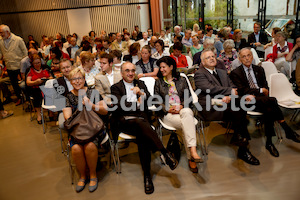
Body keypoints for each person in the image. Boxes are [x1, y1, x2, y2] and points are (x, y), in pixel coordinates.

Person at [110, 62, 178, 194]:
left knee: (143, 138)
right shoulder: (115, 87)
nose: (130, 73)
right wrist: (137, 103)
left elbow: (150, 100)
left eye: (133, 70)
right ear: (122, 73)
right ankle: (164, 153)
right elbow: (120, 105)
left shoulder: (140, 84)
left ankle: (147, 176)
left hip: (141, 121)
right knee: (142, 125)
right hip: (124, 122)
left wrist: (141, 94)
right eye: (127, 71)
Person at [194, 49, 260, 165]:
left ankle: (242, 145)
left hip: (228, 104)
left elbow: (234, 87)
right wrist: (228, 93)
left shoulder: (222, 72)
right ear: (203, 62)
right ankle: (242, 139)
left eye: (213, 56)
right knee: (239, 106)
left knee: (238, 106)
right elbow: (209, 88)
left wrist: (229, 96)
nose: (212, 58)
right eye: (208, 57)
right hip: (211, 107)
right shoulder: (199, 73)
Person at [230, 48, 300, 157]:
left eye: (248, 55)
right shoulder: (236, 73)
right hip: (248, 102)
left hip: (262, 100)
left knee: (269, 109)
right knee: (272, 101)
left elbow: (266, 86)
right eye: (243, 56)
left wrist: (261, 91)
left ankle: (269, 142)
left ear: (252, 57)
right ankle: (285, 130)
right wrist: (259, 91)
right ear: (239, 59)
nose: (247, 58)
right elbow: (243, 90)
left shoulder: (259, 69)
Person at [154, 56, 203, 173]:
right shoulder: (158, 82)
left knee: (186, 112)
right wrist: (168, 108)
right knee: (188, 122)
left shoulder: (182, 79)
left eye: (164, 67)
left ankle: (192, 153)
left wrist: (181, 105)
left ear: (171, 67)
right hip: (168, 115)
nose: (161, 69)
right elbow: (155, 100)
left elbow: (189, 97)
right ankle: (192, 154)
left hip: (183, 111)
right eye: (160, 67)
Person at [63, 67, 107, 193]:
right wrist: (79, 108)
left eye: (80, 78)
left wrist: (91, 105)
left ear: (84, 79)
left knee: (90, 146)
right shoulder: (68, 96)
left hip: (94, 128)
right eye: (74, 79)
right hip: (77, 130)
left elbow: (105, 111)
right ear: (70, 81)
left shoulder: (93, 92)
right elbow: (68, 119)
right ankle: (83, 175)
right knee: (76, 148)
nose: (77, 81)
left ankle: (93, 175)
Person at [0, 24, 28, 106]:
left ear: (7, 32)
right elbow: (1, 54)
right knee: (14, 84)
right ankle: (19, 98)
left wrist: (23, 65)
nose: (0, 34)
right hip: (9, 67)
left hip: (19, 66)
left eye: (1, 33)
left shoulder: (18, 39)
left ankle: (26, 98)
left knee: (22, 84)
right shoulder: (1, 41)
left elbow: (25, 53)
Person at [26, 54, 53, 124]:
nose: (37, 64)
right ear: (32, 63)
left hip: (47, 87)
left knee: (51, 93)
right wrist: (35, 82)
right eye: (35, 63)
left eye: (38, 62)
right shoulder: (30, 70)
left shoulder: (45, 68)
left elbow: (51, 77)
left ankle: (50, 111)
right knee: (37, 95)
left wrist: (47, 79)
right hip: (36, 88)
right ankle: (39, 114)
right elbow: (28, 82)